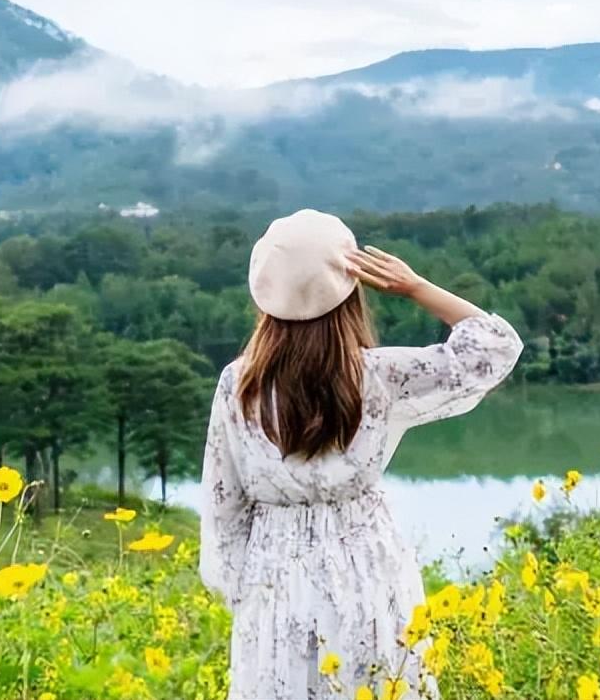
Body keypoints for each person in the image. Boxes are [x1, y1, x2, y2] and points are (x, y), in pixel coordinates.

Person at [199, 209, 524, 700]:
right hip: (367, 566)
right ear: (351, 291)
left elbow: (224, 505)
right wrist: (415, 287)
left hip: (273, 574)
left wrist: (246, 591)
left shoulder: (239, 384)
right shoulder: (378, 377)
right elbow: (494, 348)